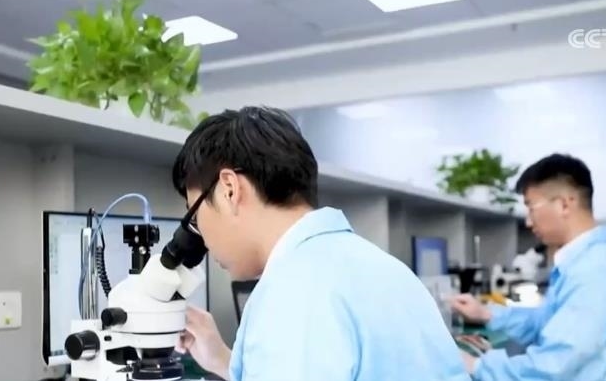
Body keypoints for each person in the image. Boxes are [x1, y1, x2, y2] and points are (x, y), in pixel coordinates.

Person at [171, 106, 469, 381]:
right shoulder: (385, 268)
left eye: (195, 216)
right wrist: (224, 361)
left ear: (229, 189)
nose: (202, 237)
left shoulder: (291, 293)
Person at [450, 153, 606, 380]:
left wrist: (477, 365)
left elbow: (552, 368)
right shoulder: (586, 260)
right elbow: (546, 321)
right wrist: (487, 314)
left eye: (531, 207)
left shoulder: (594, 272)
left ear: (564, 204)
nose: (528, 222)